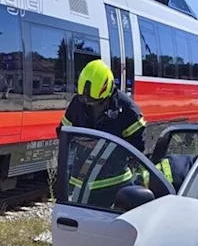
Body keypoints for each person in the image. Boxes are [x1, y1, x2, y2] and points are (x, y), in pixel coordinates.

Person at [60, 59, 149, 207]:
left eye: (96, 103)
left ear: (107, 92)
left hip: (115, 183)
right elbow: (63, 132)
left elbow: (138, 147)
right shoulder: (78, 102)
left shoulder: (127, 109)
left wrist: (109, 148)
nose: (89, 105)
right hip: (81, 183)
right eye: (86, 102)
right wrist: (79, 140)